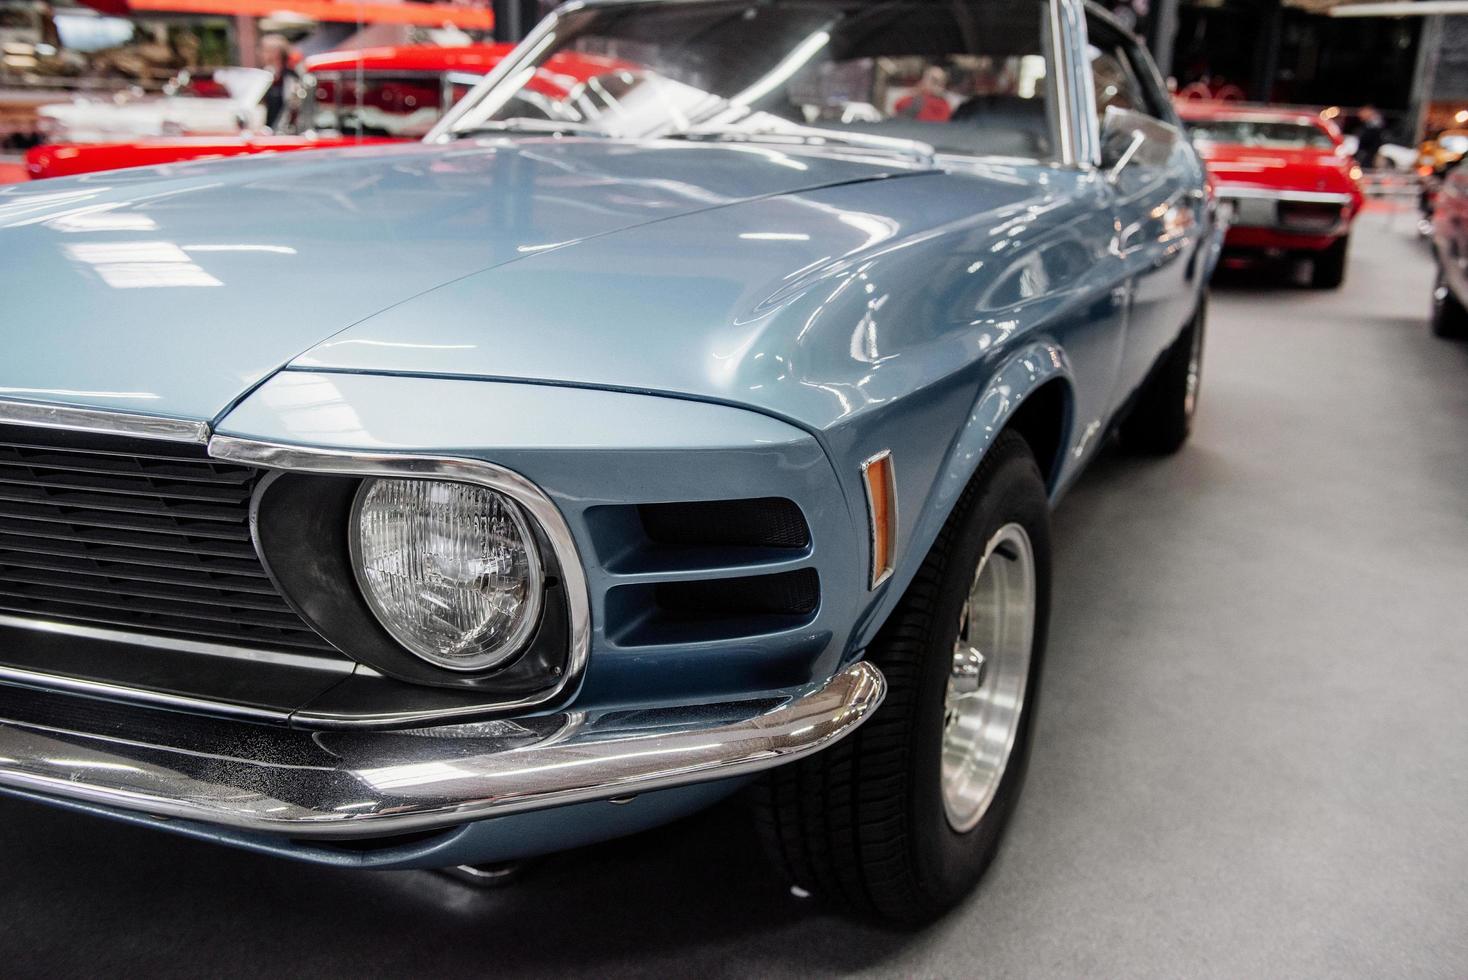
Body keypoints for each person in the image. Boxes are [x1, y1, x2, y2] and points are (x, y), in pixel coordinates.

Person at [258, 33, 298, 131]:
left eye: (265, 50)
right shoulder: (262, 75)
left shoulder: (291, 76)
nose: (260, 54)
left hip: (283, 130)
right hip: (265, 129)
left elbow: (293, 104)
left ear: (276, 53)